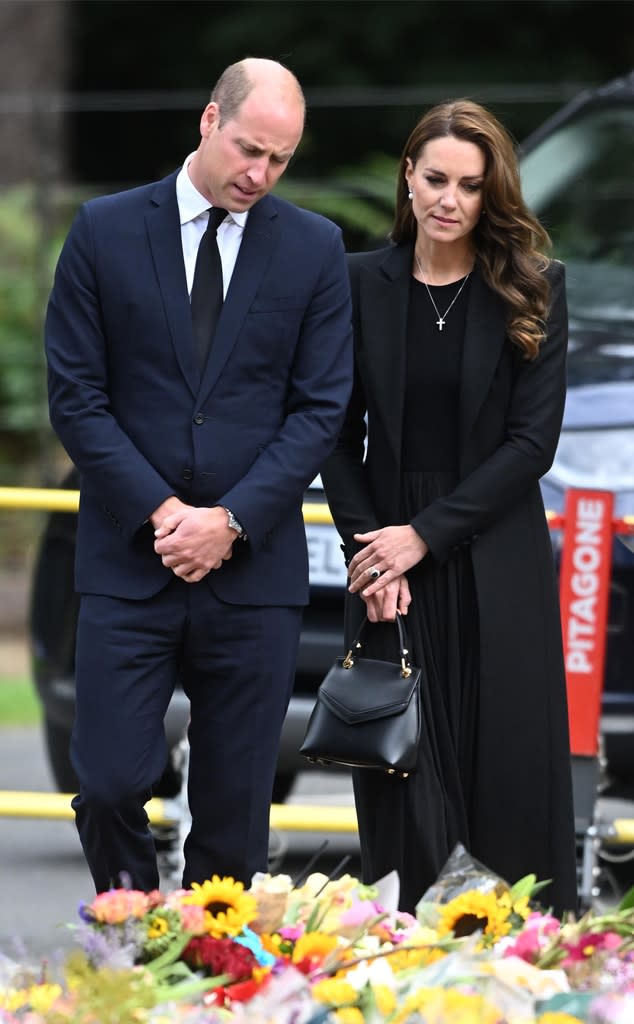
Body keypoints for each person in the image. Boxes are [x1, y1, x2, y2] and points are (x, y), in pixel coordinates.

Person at [44, 57, 352, 894]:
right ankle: (138, 939)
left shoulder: (316, 249)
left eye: (280, 159)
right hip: (126, 564)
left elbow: (320, 410)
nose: (260, 173)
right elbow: (75, 398)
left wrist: (231, 521)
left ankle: (214, 984)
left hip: (253, 573)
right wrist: (163, 513)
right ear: (209, 121)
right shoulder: (103, 230)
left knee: (235, 815)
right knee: (107, 785)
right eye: (250, 148)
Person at [321, 98, 578, 916]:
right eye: (436, 178)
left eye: (470, 185)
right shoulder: (358, 283)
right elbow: (335, 435)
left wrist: (421, 537)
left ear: (490, 193)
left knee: (506, 786)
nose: (449, 199)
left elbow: (529, 446)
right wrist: (374, 556)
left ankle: (518, 976)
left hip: (495, 559)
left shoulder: (533, 288)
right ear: (408, 175)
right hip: (387, 571)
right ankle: (415, 972)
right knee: (404, 791)